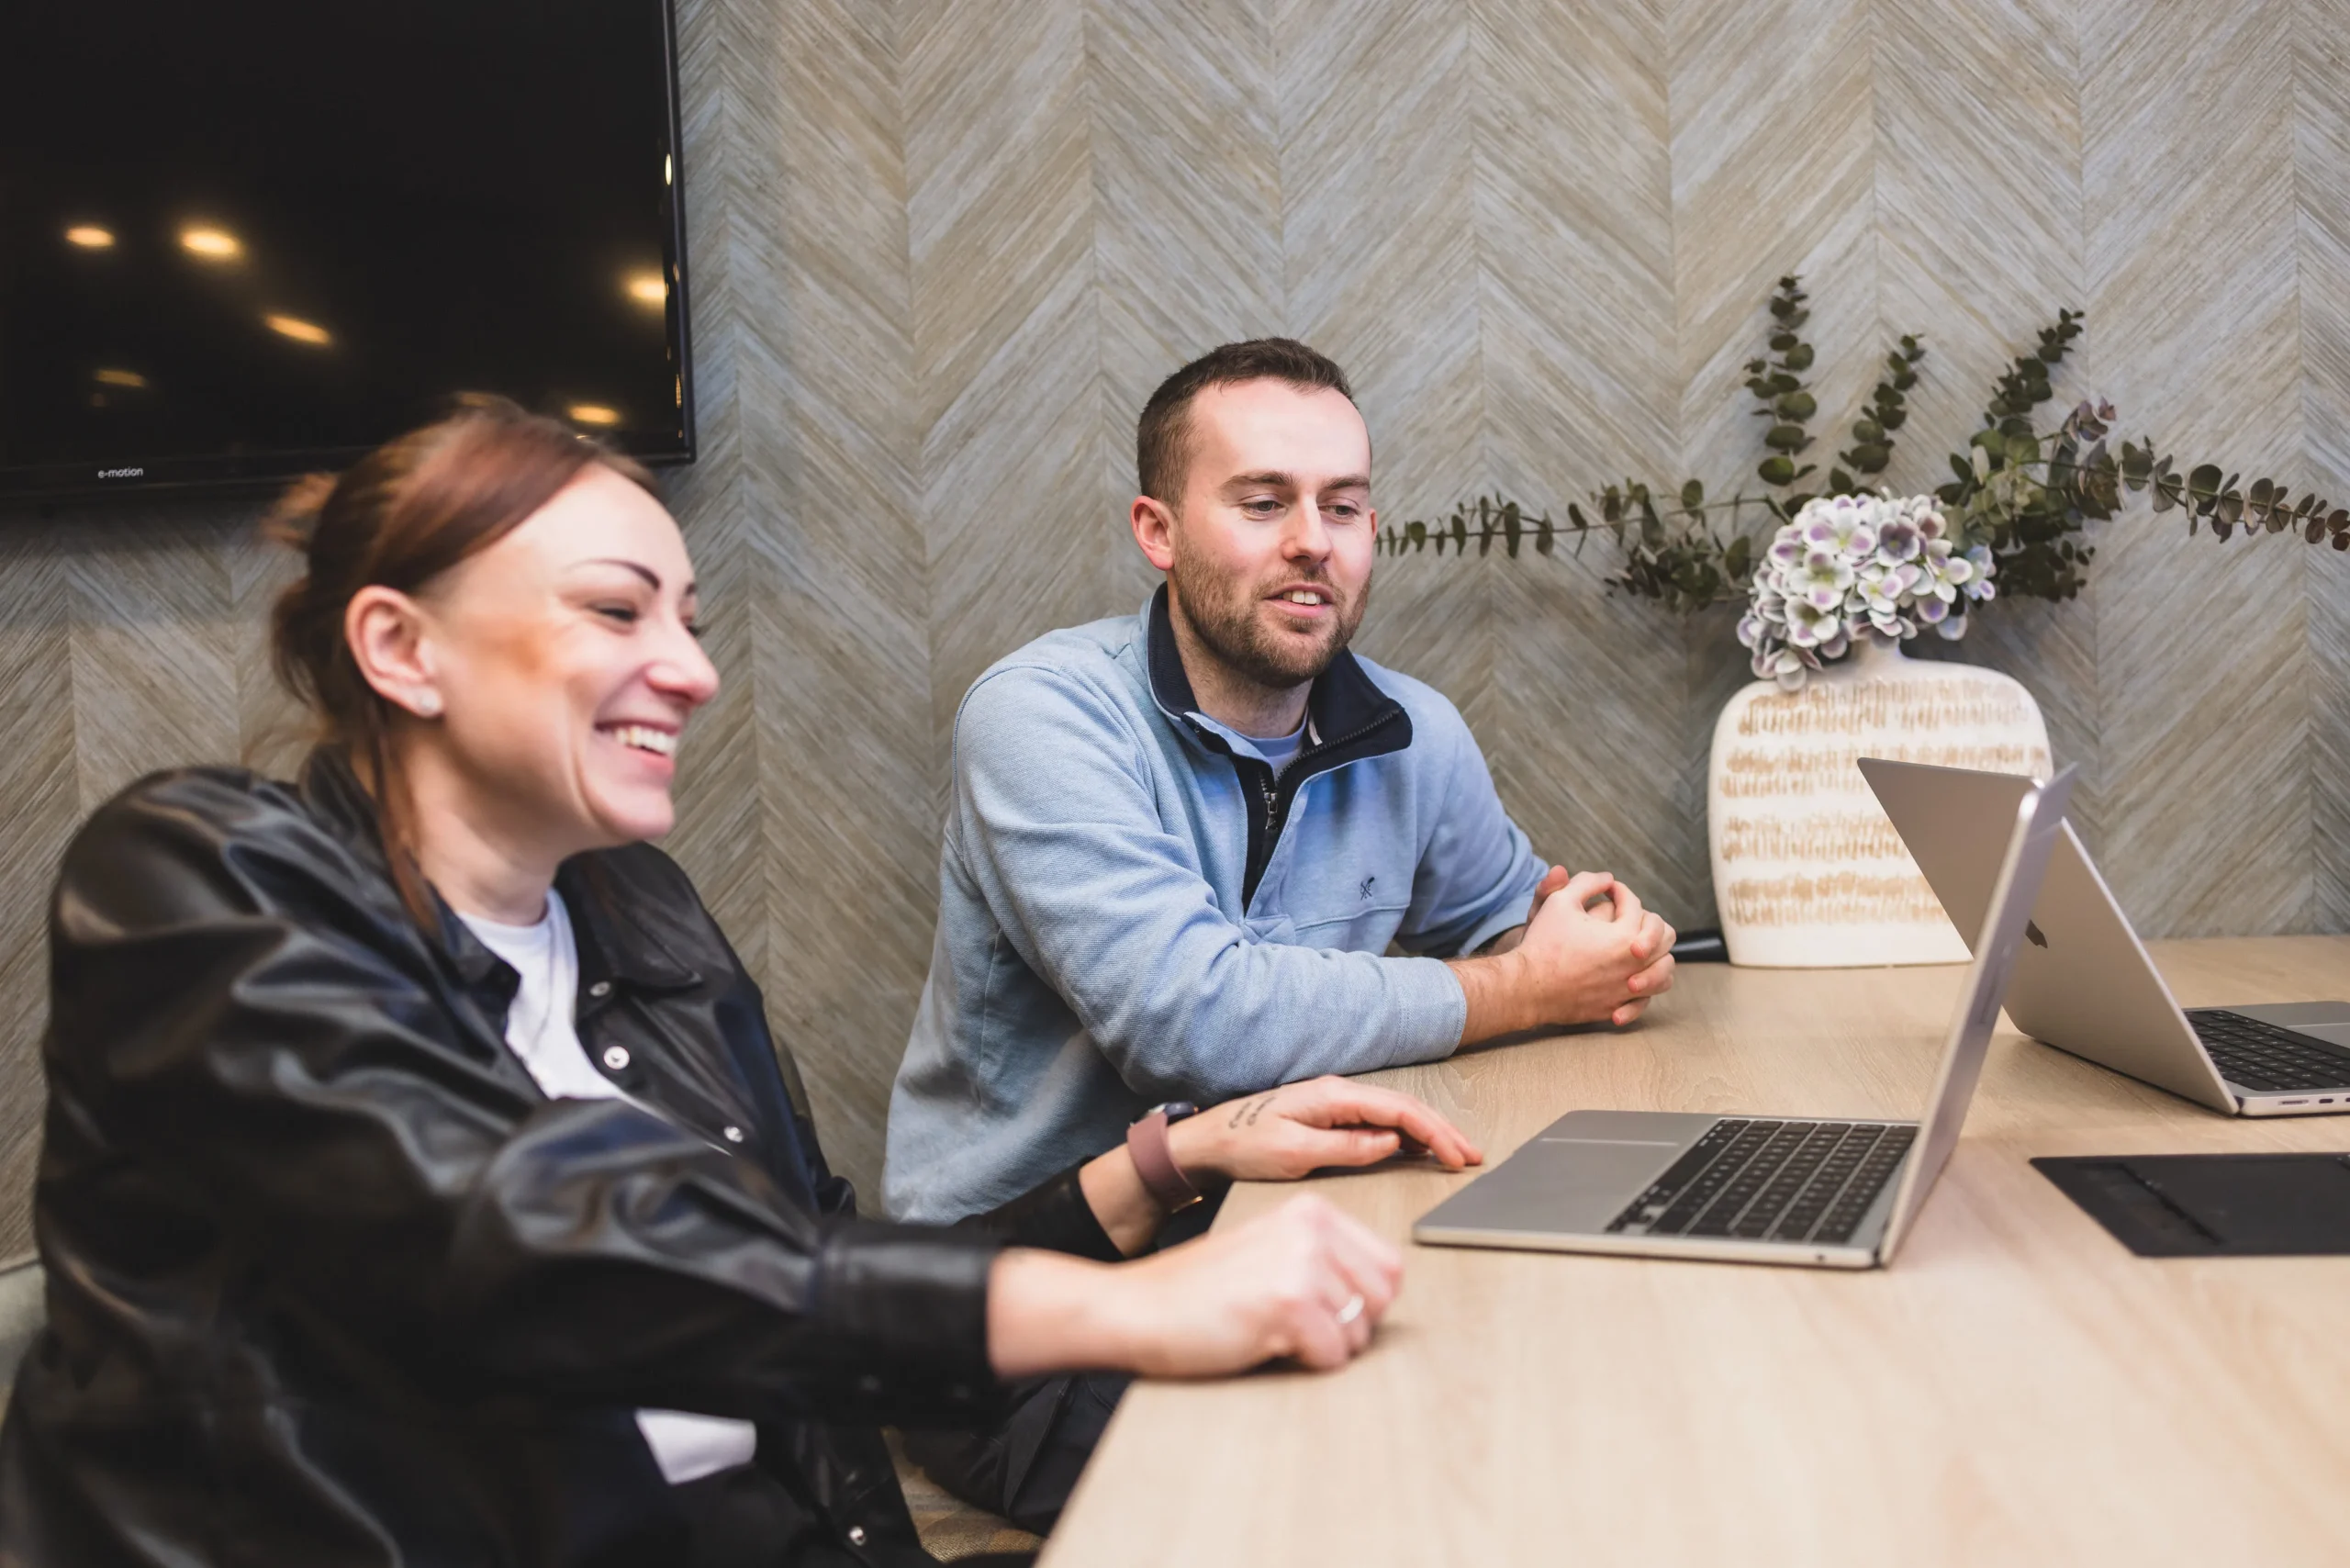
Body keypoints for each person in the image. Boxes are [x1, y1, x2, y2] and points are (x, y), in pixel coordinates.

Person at [0, 400, 1487, 1568]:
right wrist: (1132, 1317)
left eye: (690, 621)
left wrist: (1176, 1158)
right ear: (401, 646)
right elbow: (528, 1242)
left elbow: (810, 1268)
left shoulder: (633, 909)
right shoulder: (193, 878)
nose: (692, 671)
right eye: (617, 611)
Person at [882, 338, 1678, 1524]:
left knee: (1579, 1388)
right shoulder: (1043, 717)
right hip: (1023, 1305)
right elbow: (1195, 1024)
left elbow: (1526, 925)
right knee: (1378, 1492)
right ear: (1158, 531)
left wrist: (1603, 943)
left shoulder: (1413, 729)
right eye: (1263, 503)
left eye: (1343, 507)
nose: (1314, 540)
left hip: (1290, 1229)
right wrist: (1524, 988)